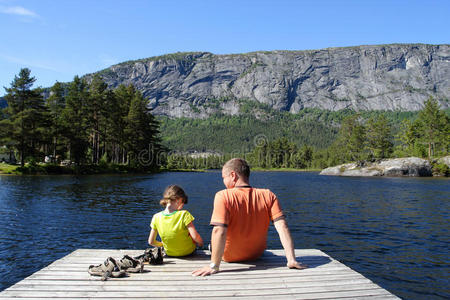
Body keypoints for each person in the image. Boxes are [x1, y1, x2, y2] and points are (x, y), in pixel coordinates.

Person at [192, 158, 307, 276]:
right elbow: (282, 227)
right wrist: (291, 259)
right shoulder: (268, 195)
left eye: (223, 178)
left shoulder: (223, 196)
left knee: (211, 244)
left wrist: (214, 265)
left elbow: (219, 231)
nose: (224, 182)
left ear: (233, 175)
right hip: (256, 254)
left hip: (229, 257)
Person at [148, 185, 203, 256]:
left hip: (169, 253)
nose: (183, 205)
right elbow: (195, 236)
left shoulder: (156, 217)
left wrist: (163, 244)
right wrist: (201, 243)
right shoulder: (184, 214)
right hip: (188, 252)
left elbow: (151, 241)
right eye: (183, 201)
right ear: (178, 199)